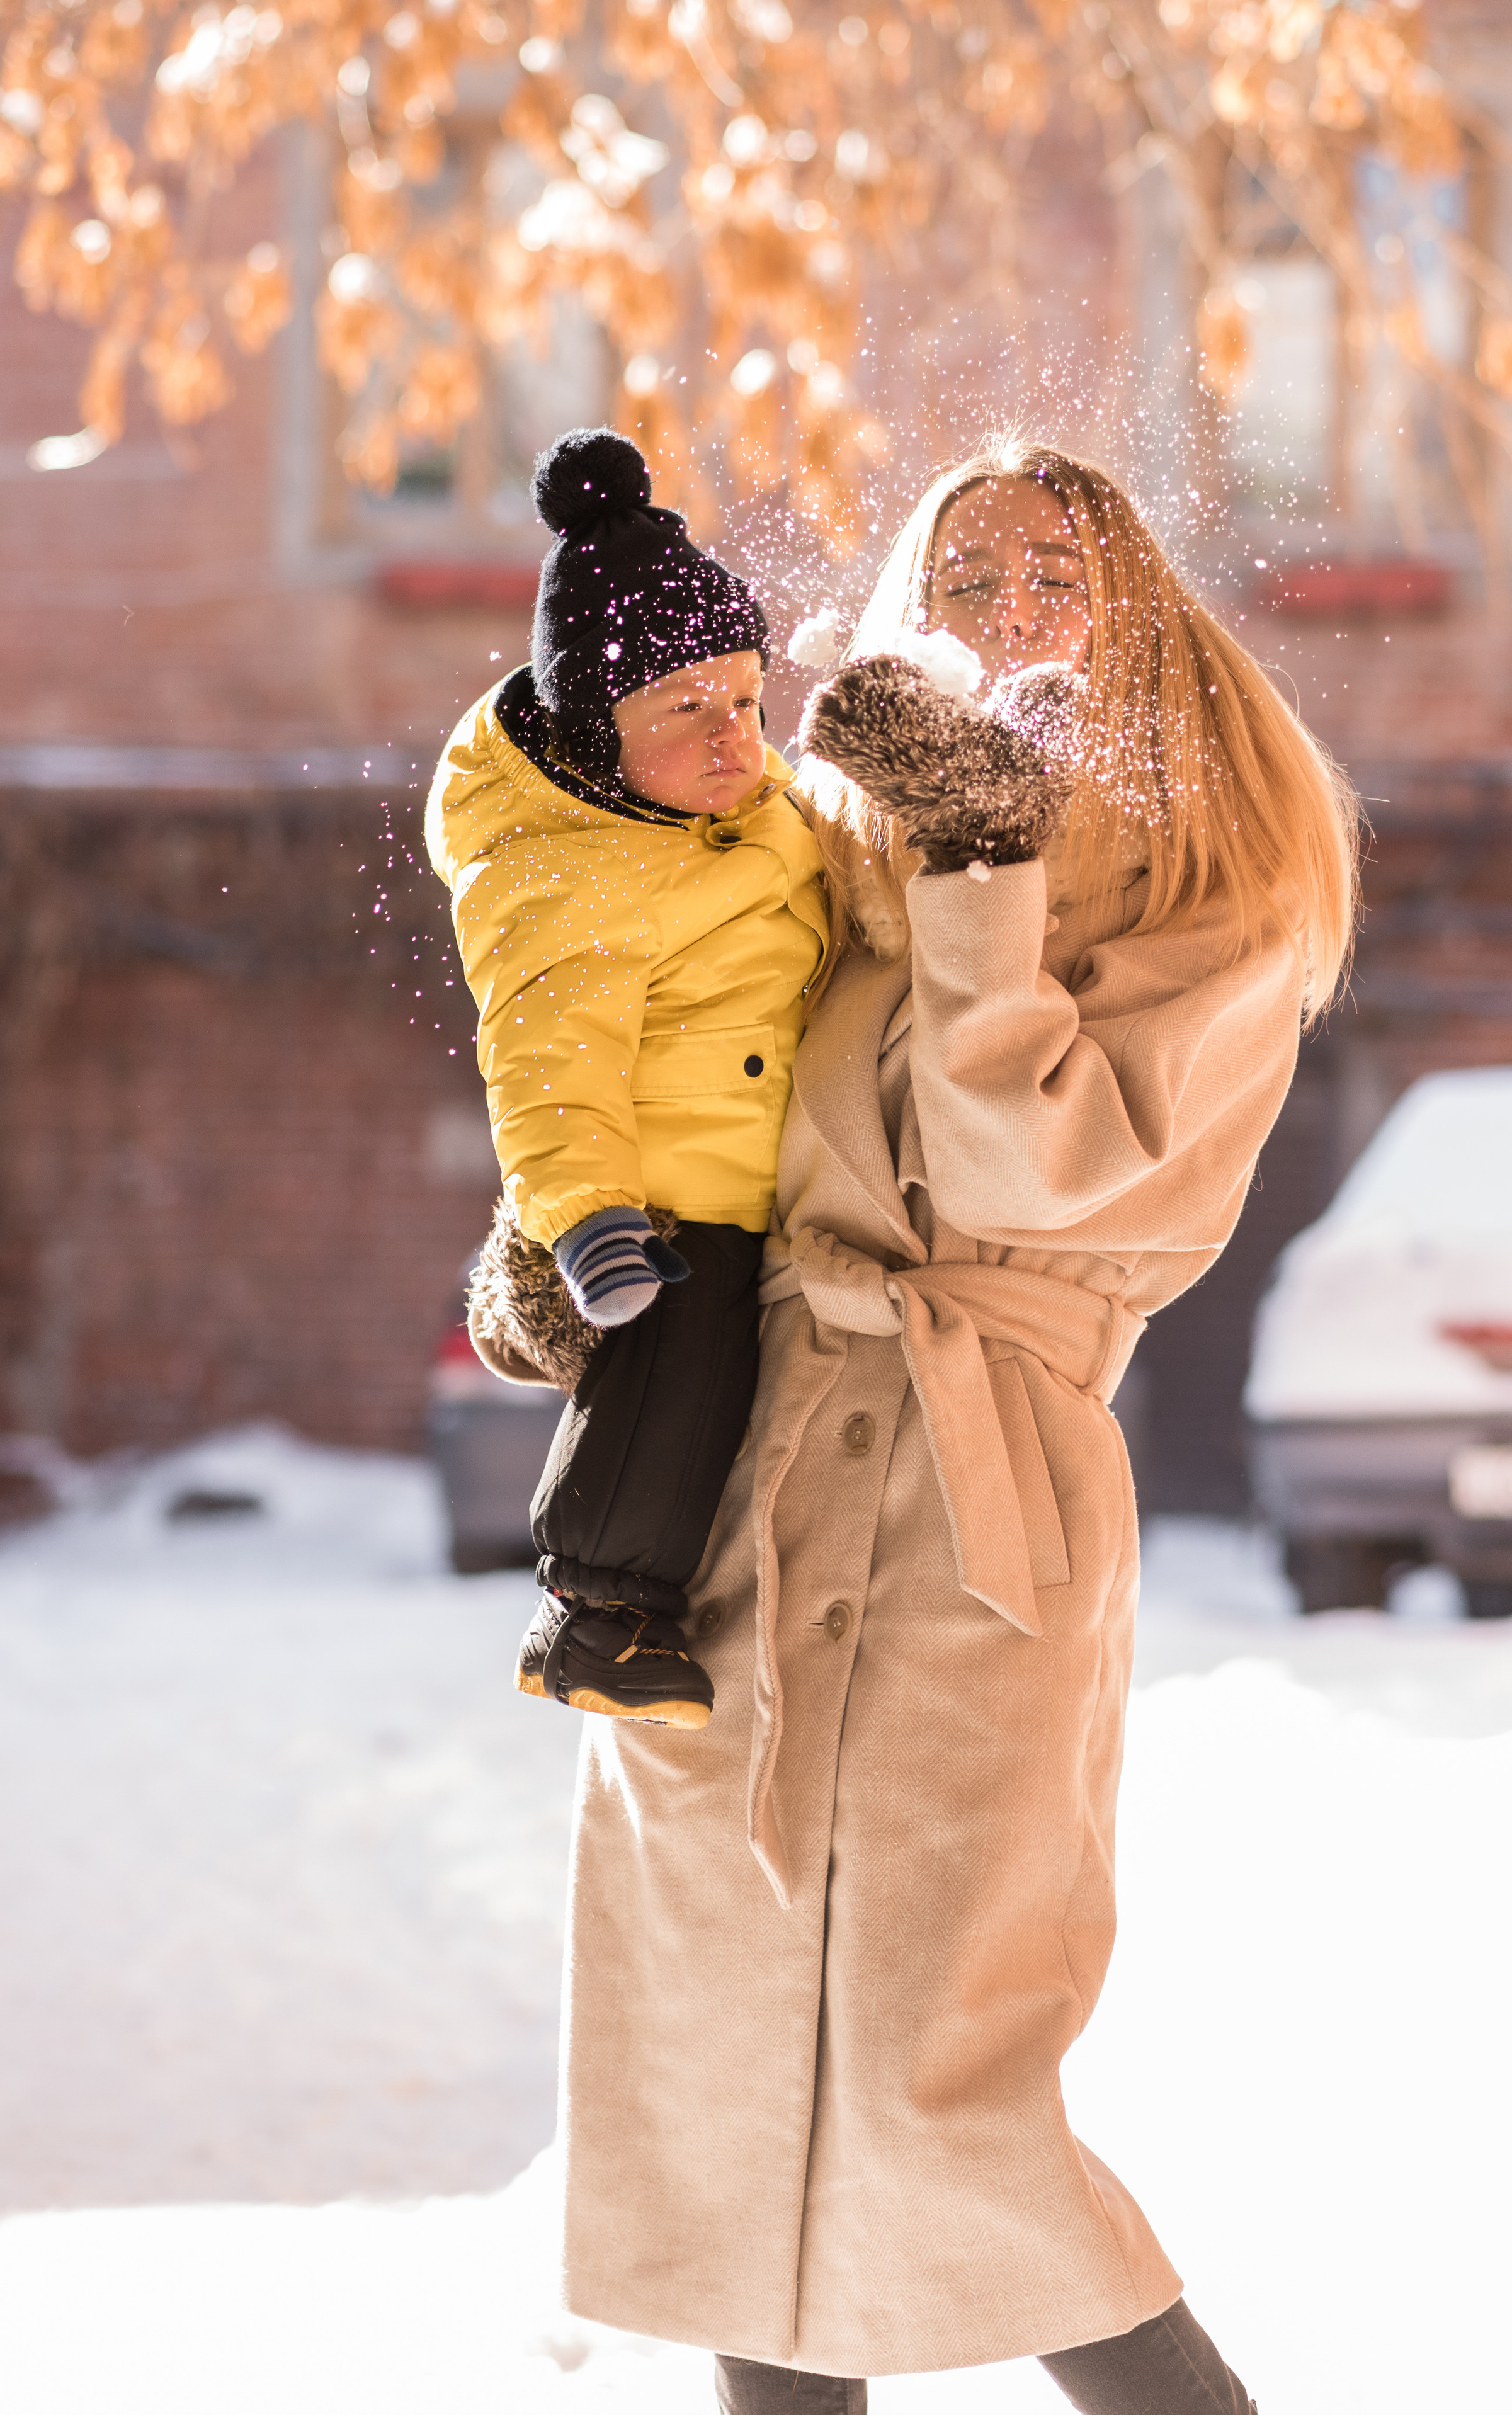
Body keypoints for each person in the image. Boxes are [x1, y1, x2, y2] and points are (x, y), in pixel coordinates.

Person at [506, 440, 1358, 2411]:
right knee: (726, 2082)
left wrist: (986, 871)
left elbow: (1037, 1178)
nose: (1004, 609)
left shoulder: (1213, 902)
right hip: (736, 1501)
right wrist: (570, 1256)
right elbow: (690, 1105)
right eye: (959, 573)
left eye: (1055, 572)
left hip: (989, 1505)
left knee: (943, 2094)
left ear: (1140, 625)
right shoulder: (807, 860)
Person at [428, 428, 827, 1729]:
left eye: (745, 703)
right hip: (661, 1204)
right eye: (684, 714)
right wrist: (588, 1218)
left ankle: (625, 1603)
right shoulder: (559, 873)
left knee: (723, 1400)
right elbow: (547, 1060)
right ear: (597, 736)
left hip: (760, 1177)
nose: (733, 743)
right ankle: (596, 1611)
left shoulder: (758, 814)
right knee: (670, 1383)